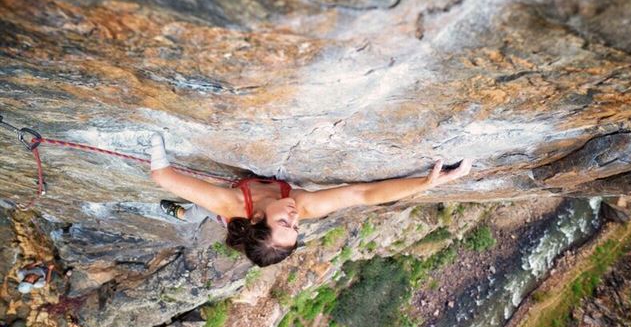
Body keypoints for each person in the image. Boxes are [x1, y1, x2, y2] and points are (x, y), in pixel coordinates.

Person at [148, 133, 473, 267]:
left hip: (226, 213)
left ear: (258, 220)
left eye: (284, 223)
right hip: (242, 212)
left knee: (199, 213)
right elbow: (362, 194)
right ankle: (179, 212)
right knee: (200, 214)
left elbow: (163, 175)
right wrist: (425, 184)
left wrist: (155, 140)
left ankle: (176, 212)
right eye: (296, 227)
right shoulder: (303, 206)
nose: (295, 216)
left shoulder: (231, 206)